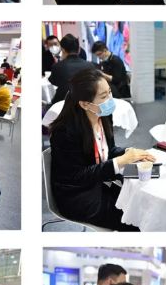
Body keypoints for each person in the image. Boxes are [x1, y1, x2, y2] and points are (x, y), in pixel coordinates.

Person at [49, 69, 153, 231]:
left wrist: (129, 153)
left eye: (110, 92)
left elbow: (108, 150)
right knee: (138, 221)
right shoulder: (65, 132)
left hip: (100, 184)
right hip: (79, 196)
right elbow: (76, 176)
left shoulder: (103, 115)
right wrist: (120, 161)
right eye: (104, 96)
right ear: (85, 104)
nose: (110, 99)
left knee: (145, 207)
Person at [48, 34, 99, 103]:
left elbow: (53, 82)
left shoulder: (57, 66)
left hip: (63, 103)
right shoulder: (90, 66)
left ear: (63, 50)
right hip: (87, 102)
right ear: (79, 49)